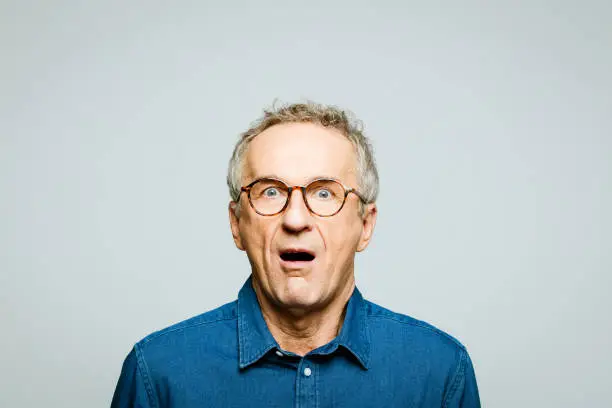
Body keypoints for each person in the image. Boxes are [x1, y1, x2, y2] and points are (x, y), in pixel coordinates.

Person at [111, 102, 481, 407]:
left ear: (365, 225)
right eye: (270, 191)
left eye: (325, 193)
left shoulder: (441, 371)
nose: (295, 219)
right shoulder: (157, 374)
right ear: (236, 223)